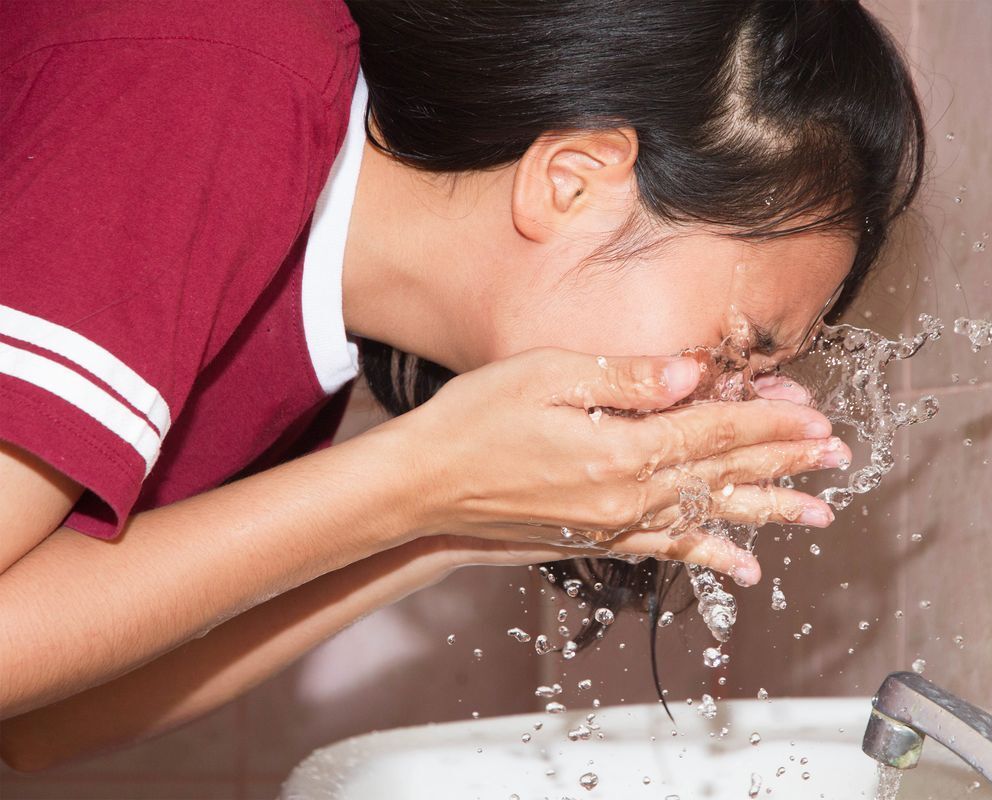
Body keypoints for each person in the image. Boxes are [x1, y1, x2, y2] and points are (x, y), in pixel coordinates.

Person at [0, 0, 923, 771]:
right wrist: (417, 479)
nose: (725, 400)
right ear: (572, 183)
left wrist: (448, 521)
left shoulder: (296, 327)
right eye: (736, 346)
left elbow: (40, 717)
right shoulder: (219, 59)